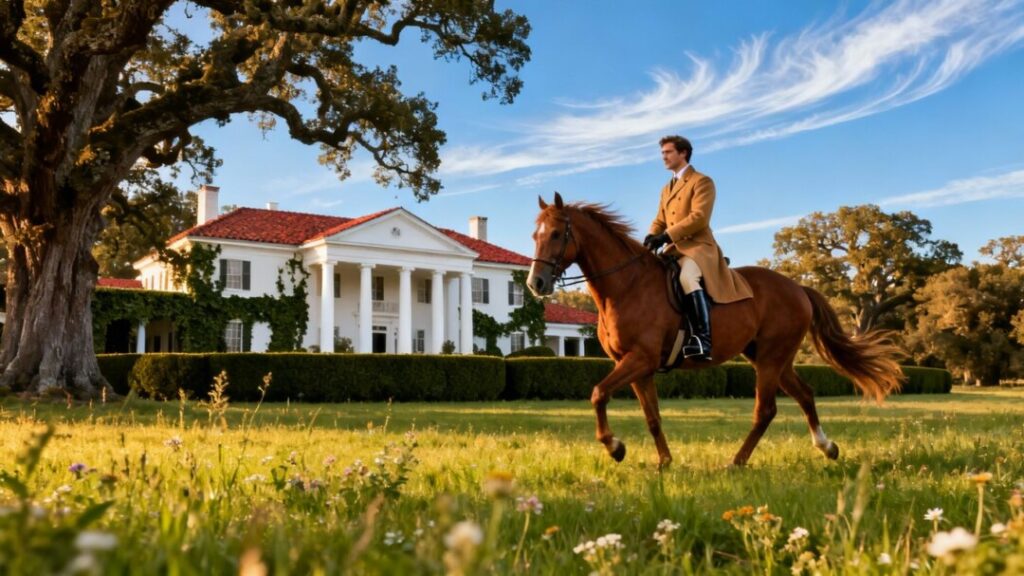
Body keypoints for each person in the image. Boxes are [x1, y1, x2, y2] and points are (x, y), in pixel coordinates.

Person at [643, 135, 753, 361]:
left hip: (698, 248)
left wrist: (666, 236)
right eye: (662, 153)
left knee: (687, 279)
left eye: (668, 152)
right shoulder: (667, 188)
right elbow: (660, 219)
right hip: (673, 250)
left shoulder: (702, 181)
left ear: (683, 153)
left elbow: (699, 218)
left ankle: (703, 340)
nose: (663, 157)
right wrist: (651, 236)